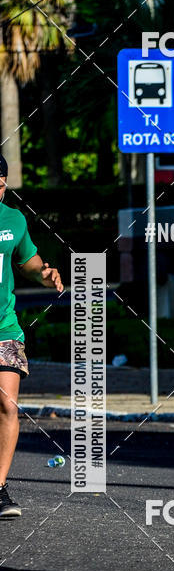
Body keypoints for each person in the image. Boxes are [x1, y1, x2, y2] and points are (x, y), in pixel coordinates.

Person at [0, 154, 63, 517]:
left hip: (4, 327)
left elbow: (28, 261)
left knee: (7, 405)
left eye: (1, 184)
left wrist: (45, 274)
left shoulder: (13, 219)